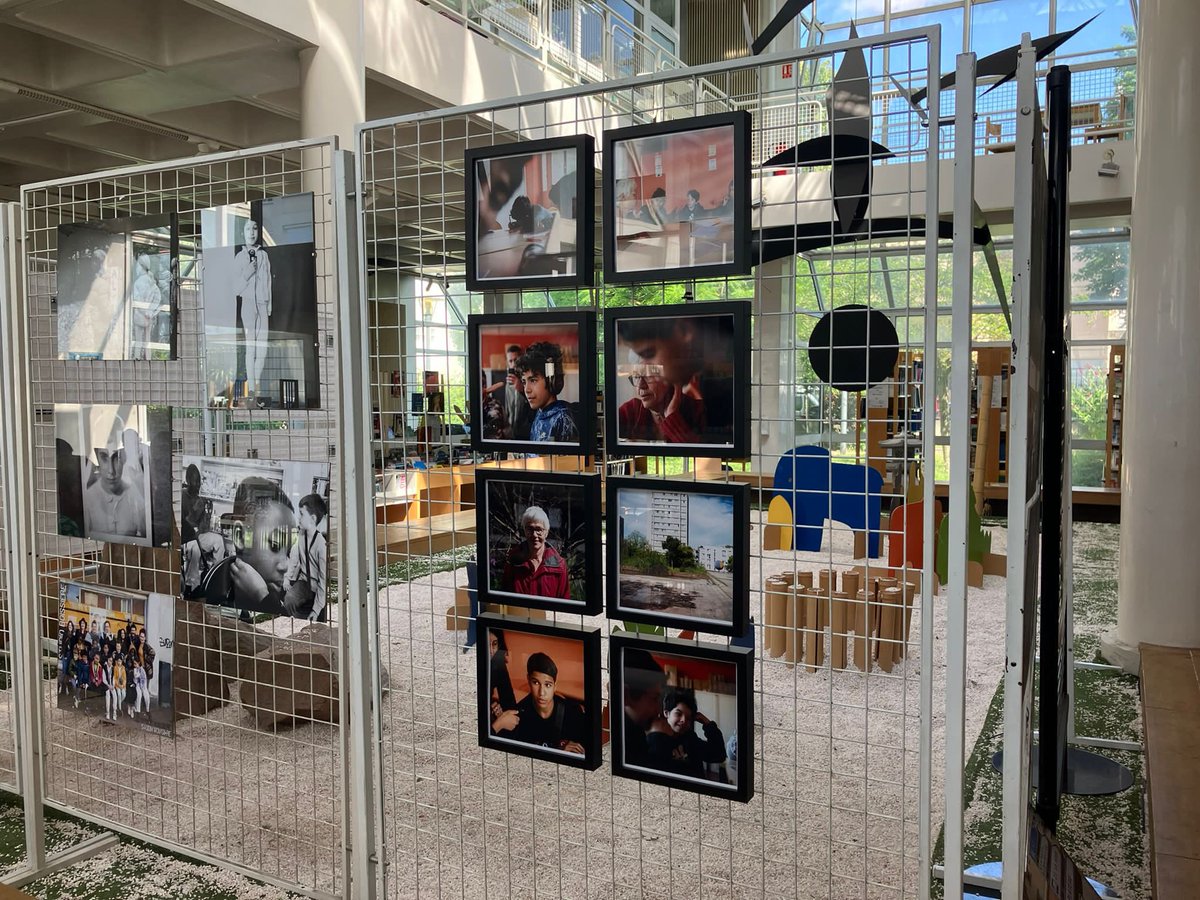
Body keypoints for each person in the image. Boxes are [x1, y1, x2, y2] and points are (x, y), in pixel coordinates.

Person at [614, 315, 735, 447]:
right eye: (636, 377)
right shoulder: (629, 411)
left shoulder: (700, 411)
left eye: (649, 376)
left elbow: (705, 457)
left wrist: (672, 418)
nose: (641, 387)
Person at [199, 476, 299, 616]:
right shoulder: (216, 605)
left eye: (288, 552)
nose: (285, 566)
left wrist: (263, 596)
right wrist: (263, 598)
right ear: (241, 537)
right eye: (275, 546)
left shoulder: (277, 597)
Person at [490, 652, 587, 755]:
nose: (541, 693)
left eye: (548, 685)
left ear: (555, 685)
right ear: (528, 680)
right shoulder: (518, 717)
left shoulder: (573, 712)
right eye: (536, 683)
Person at [645, 688, 728, 779]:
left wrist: (708, 724)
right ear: (666, 713)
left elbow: (719, 755)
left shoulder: (690, 737)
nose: (684, 720)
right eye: (678, 714)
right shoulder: (655, 741)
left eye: (688, 718)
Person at [234, 218, 273, 403]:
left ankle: (256, 383)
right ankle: (252, 387)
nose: (252, 232)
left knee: (262, 347)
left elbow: (268, 281)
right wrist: (248, 271)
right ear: (243, 232)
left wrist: (269, 302)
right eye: (248, 229)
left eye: (255, 228)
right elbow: (236, 288)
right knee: (251, 347)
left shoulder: (264, 255)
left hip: (263, 304)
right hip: (248, 304)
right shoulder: (240, 257)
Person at [82, 431, 147, 540]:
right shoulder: (88, 498)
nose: (111, 471)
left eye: (117, 458)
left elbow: (145, 532)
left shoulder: (135, 493)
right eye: (104, 458)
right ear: (97, 458)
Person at [499, 506, 570, 600]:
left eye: (539, 529)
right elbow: (504, 597)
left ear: (546, 533)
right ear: (524, 531)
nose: (534, 534)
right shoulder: (513, 561)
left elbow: (565, 603)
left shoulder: (559, 566)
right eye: (530, 529)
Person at [515, 342, 578, 443]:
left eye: (533, 380)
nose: (527, 389)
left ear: (551, 381)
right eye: (524, 382)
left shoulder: (562, 417)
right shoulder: (539, 413)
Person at [284, 493, 328, 621]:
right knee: (289, 599)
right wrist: (288, 578)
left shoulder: (321, 545)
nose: (298, 518)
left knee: (319, 616)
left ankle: (313, 613)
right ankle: (298, 619)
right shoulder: (301, 535)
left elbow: (323, 579)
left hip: (316, 585)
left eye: (302, 514)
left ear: (313, 518)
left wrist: (317, 608)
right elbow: (294, 556)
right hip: (304, 582)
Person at [622, 648, 666, 768]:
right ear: (625, 695)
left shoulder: (636, 731)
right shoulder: (625, 739)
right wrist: (657, 738)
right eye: (654, 698)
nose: (658, 710)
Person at [487, 630, 517, 719]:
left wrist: (494, 704)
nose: (491, 651)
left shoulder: (498, 661)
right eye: (486, 644)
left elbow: (509, 701)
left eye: (495, 644)